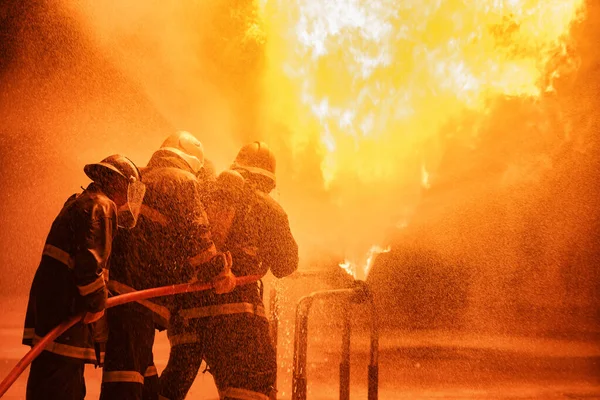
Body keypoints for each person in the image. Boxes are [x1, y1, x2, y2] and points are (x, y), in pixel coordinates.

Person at [100, 131, 235, 400]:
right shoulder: (182, 180)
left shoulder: (141, 175)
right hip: (139, 297)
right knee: (125, 382)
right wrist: (221, 271)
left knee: (142, 378)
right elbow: (198, 239)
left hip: (118, 292)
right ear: (193, 161)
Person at [159, 141, 299, 400]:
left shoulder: (201, 192)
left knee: (172, 386)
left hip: (186, 311)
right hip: (236, 315)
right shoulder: (268, 208)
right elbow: (286, 264)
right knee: (251, 387)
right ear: (267, 180)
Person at [22, 154, 145, 400]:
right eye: (129, 189)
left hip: (53, 319)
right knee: (63, 391)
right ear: (116, 183)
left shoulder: (78, 203)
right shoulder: (101, 206)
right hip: (66, 320)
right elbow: (89, 266)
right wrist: (97, 304)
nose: (128, 198)